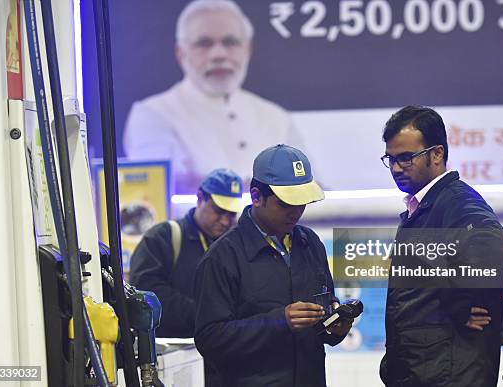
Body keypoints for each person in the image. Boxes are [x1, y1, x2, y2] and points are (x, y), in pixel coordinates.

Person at [194, 144, 352, 386]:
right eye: (287, 204)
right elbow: (210, 339)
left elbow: (322, 322)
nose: (297, 211)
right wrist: (279, 321)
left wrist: (335, 328)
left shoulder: (310, 244)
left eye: (303, 202)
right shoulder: (223, 257)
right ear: (257, 197)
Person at [379, 106, 503, 386]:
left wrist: (459, 303)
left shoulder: (458, 203)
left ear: (437, 154)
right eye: (390, 159)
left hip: (448, 376)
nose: (396, 168)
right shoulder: (426, 206)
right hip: (424, 372)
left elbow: (492, 245)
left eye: (406, 158)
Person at [123, 0, 302, 193]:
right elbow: (168, 186)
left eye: (230, 42)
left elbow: (312, 188)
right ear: (181, 53)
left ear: (247, 50)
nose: (218, 54)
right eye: (204, 44)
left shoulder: (276, 117)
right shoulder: (152, 115)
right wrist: (275, 191)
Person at [128, 168, 243, 386]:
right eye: (219, 210)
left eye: (231, 214)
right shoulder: (163, 238)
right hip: (174, 360)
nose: (226, 220)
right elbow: (146, 294)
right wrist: (206, 315)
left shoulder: (235, 245)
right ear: (200, 197)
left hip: (223, 365)